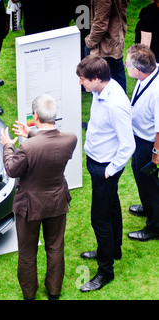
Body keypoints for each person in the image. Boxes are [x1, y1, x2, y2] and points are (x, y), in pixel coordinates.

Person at [0, 94, 77, 300]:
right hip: (57, 201)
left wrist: (8, 145)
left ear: (34, 116)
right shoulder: (71, 139)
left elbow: (11, 169)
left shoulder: (27, 147)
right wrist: (32, 133)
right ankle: (54, 292)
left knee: (27, 252)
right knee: (55, 247)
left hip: (29, 206)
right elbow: (49, 145)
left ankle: (29, 294)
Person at [76, 55, 135, 292]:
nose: (81, 84)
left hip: (105, 167)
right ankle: (114, 249)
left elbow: (128, 145)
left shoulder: (115, 104)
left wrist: (109, 171)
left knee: (99, 218)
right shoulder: (100, 90)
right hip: (97, 160)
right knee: (111, 206)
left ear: (97, 78)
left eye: (83, 80)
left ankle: (105, 271)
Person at [125, 44, 159, 241]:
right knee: (141, 177)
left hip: (148, 145)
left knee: (149, 184)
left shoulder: (156, 93)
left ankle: (155, 226)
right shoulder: (149, 73)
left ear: (137, 70)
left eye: (128, 64)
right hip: (140, 140)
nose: (125, 66)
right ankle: (148, 208)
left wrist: (155, 153)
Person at [85, 0, 129, 92]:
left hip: (105, 45)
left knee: (99, 82)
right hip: (115, 40)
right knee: (117, 76)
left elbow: (100, 25)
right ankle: (121, 103)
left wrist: (89, 42)